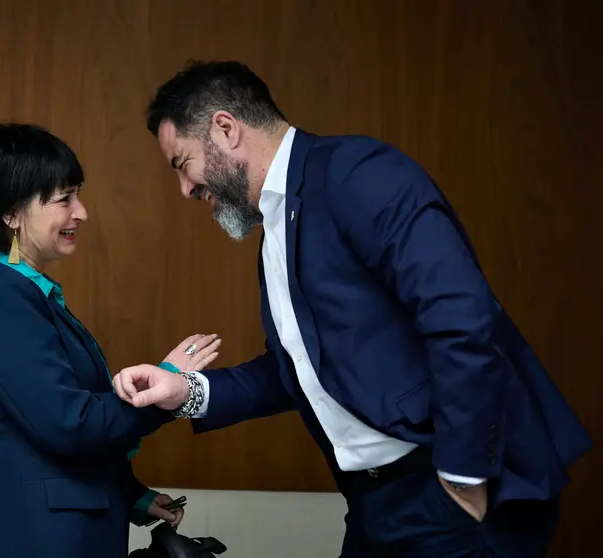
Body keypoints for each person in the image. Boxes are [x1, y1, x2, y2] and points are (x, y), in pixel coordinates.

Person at [113, 60, 593, 557]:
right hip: (374, 504)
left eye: (181, 163)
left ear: (226, 129)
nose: (186, 188)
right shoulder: (275, 231)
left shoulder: (357, 173)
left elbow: (460, 320)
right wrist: (186, 391)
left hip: (446, 493)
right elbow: (296, 372)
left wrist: (462, 480)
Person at [0, 122, 220, 558]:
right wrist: (167, 384)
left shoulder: (18, 291)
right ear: (11, 214)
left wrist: (129, 492)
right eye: (64, 199)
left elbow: (41, 428)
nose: (82, 212)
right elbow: (68, 424)